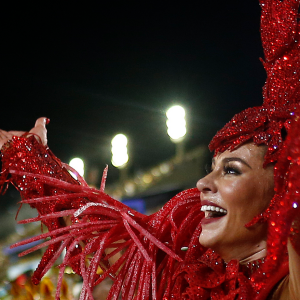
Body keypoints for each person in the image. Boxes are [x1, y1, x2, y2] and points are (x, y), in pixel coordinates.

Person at [0, 0, 299, 299]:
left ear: (282, 193)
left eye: (231, 170)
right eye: (213, 169)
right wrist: (27, 160)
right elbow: (102, 233)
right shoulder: (184, 281)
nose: (203, 183)